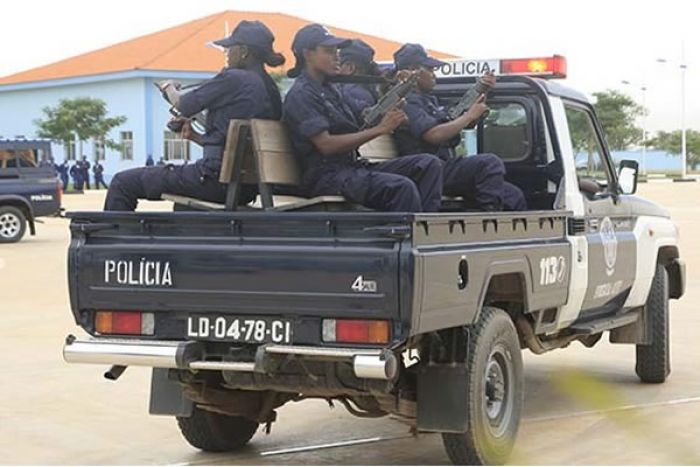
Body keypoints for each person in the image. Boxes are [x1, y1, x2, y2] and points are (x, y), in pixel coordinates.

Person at [104, 20, 285, 211]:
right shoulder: (271, 89)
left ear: (243, 51)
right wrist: (195, 137)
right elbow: (234, 144)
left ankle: (115, 239)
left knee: (122, 183)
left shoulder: (235, 78)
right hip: (247, 187)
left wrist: (169, 88)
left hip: (214, 179)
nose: (227, 54)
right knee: (182, 207)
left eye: (228, 49)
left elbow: (184, 104)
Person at [282, 24, 443, 212]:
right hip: (325, 177)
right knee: (401, 187)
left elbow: (365, 119)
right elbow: (326, 145)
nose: (337, 56)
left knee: (428, 164)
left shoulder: (332, 90)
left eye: (337, 51)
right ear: (307, 54)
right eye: (328, 51)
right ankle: (406, 237)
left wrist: (394, 101)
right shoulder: (301, 94)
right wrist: (380, 129)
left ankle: (425, 230)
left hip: (351, 168)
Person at [391, 43, 527, 211]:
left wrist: (481, 92)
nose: (434, 75)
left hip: (444, 167)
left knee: (513, 196)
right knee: (489, 163)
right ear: (413, 70)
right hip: (427, 171)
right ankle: (488, 219)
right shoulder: (406, 101)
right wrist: (469, 116)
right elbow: (433, 135)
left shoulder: (428, 100)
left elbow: (453, 119)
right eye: (430, 69)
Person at [337, 39, 381, 122]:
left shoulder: (350, 91)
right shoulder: (369, 89)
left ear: (350, 68)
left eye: (338, 64)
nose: (335, 69)